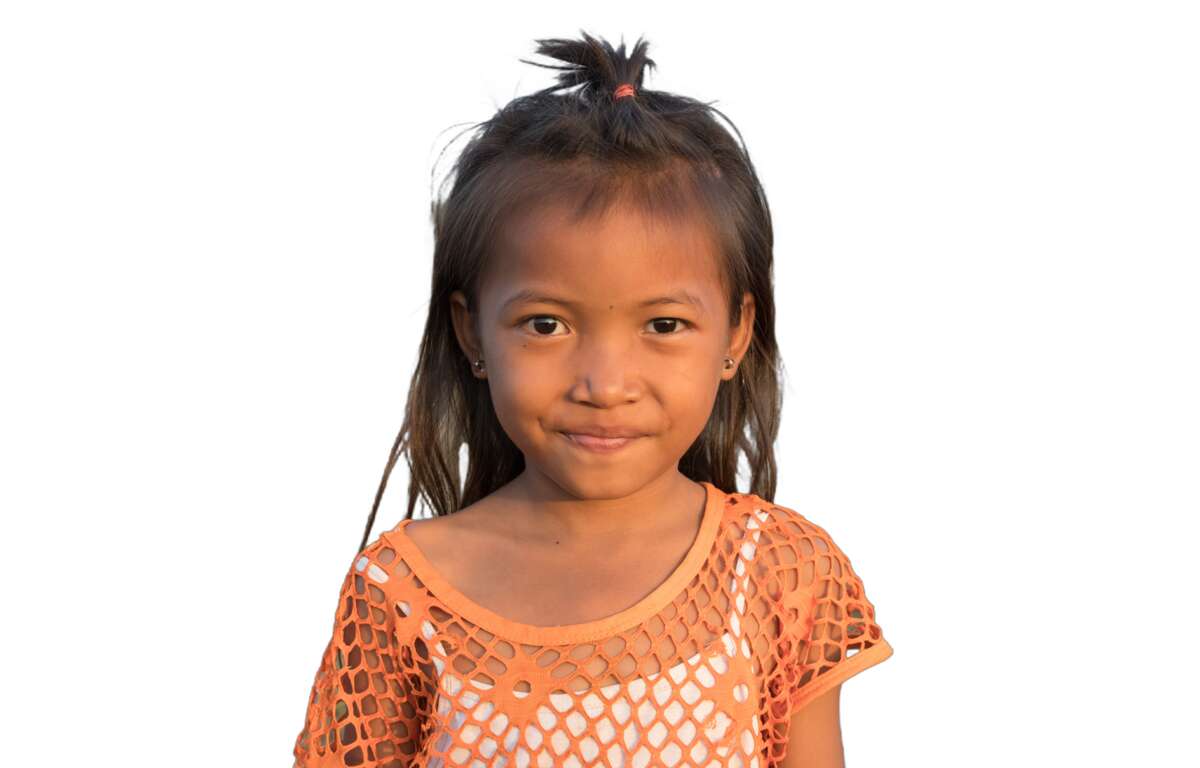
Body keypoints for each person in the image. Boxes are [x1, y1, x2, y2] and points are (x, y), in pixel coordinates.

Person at [292, 30, 893, 768]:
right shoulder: (403, 596)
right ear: (471, 330)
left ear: (736, 329)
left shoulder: (779, 575)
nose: (604, 384)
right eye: (545, 324)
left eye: (663, 325)